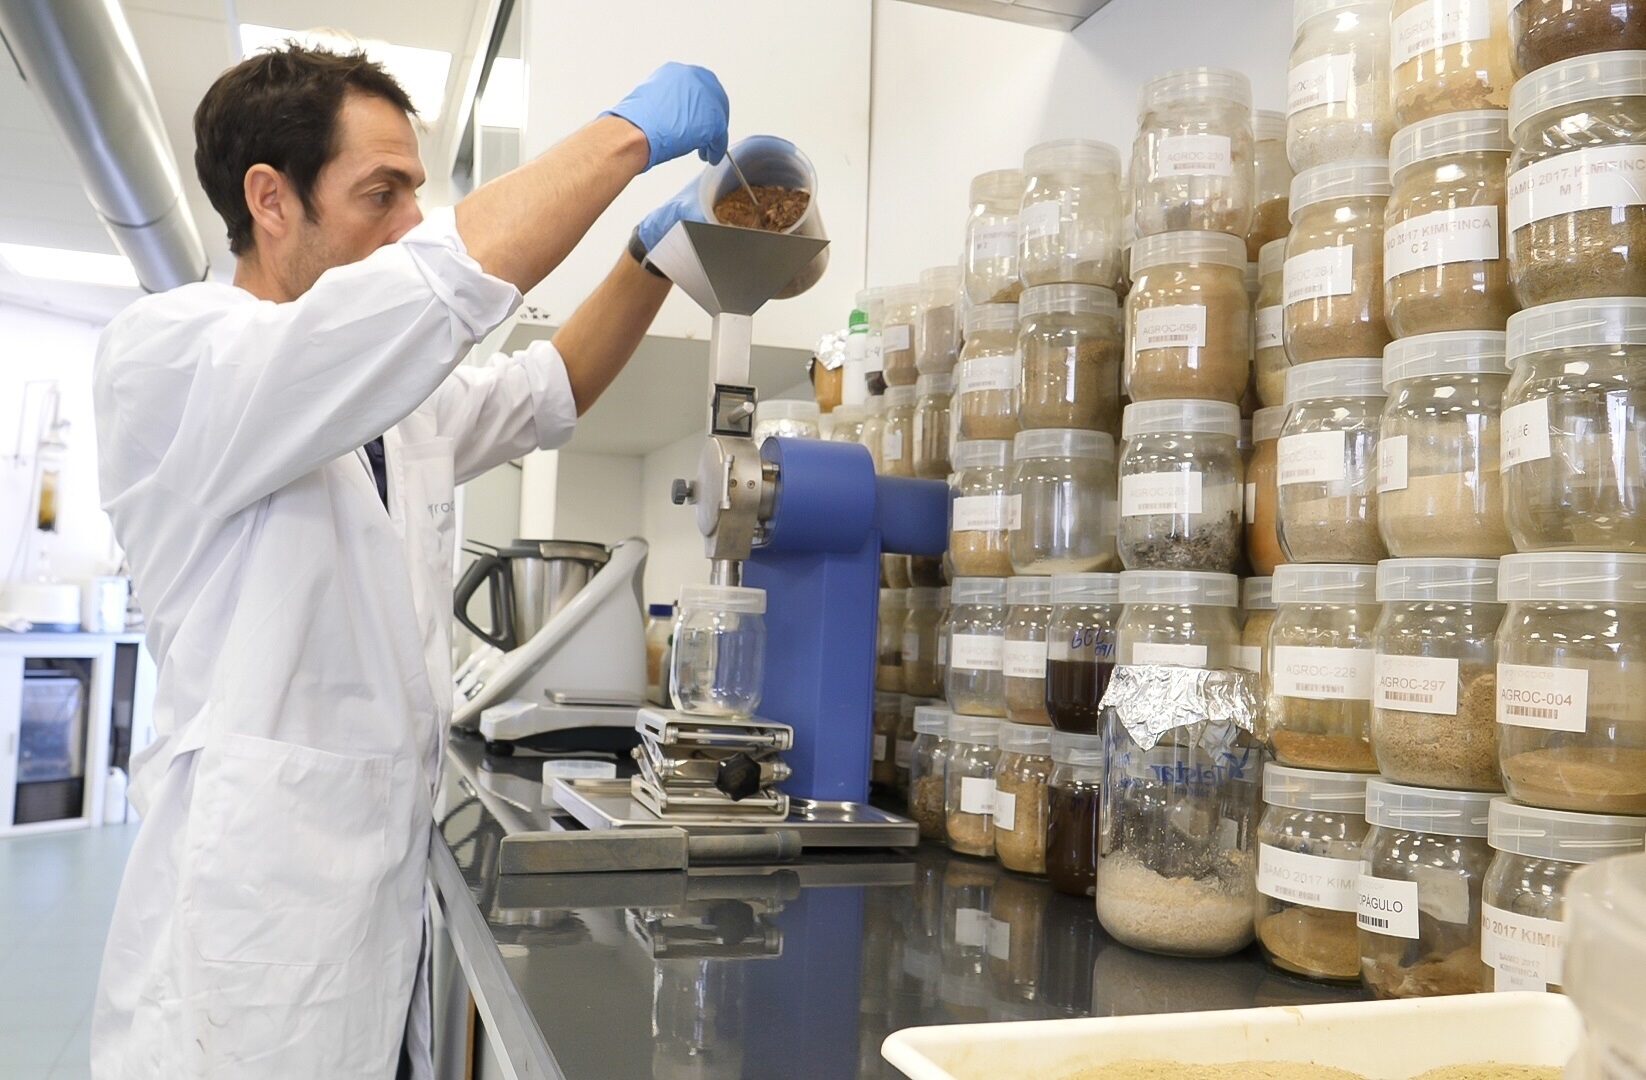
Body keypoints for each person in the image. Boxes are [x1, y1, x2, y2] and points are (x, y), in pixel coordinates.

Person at [89, 44, 727, 1079]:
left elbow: (545, 392)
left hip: (373, 915)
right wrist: (627, 137)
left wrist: (650, 260)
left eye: (416, 194)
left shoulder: (389, 405)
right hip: (250, 944)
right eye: (379, 194)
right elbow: (437, 282)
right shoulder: (173, 356)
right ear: (271, 199)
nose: (409, 224)